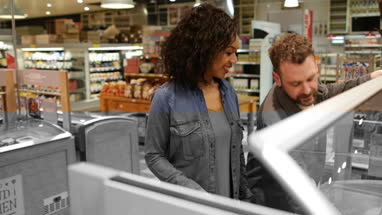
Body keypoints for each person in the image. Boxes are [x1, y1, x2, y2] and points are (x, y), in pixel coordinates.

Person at [246, 33, 382, 213]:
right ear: (277, 79)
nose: (307, 90)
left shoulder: (308, 88)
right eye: (296, 83)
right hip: (275, 205)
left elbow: (332, 91)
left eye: (311, 78)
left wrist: (371, 79)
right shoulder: (275, 117)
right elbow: (295, 183)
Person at [144, 3, 252, 200]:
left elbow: (236, 154)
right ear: (205, 48)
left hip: (230, 202)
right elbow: (154, 155)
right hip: (191, 205)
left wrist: (245, 196)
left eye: (236, 53)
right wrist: (187, 187)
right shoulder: (166, 98)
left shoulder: (228, 92)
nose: (234, 60)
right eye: (228, 52)